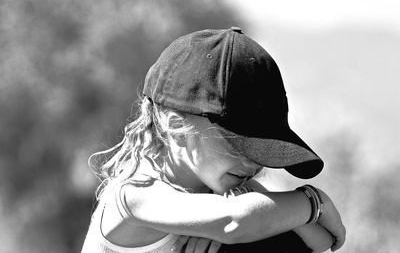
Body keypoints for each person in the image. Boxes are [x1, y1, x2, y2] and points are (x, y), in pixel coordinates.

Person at [81, 27, 346, 253]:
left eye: (260, 152)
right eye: (238, 144)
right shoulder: (135, 193)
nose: (253, 163)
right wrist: (315, 201)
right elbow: (234, 222)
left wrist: (266, 205)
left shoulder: (222, 187)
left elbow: (320, 241)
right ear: (175, 126)